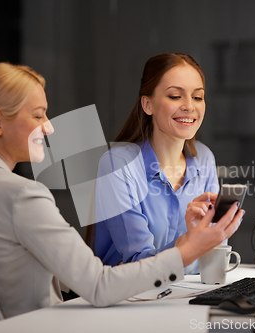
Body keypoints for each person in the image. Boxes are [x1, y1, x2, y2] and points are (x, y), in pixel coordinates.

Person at [0, 62, 244, 319]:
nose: (49, 126)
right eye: (38, 115)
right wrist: (187, 249)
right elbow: (99, 285)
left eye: (197, 95)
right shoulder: (24, 197)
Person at [92, 53, 236, 274]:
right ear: (147, 104)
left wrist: (217, 236)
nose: (189, 106)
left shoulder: (204, 158)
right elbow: (137, 263)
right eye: (175, 96)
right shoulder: (117, 164)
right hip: (126, 300)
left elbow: (211, 254)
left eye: (197, 97)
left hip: (184, 295)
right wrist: (192, 242)